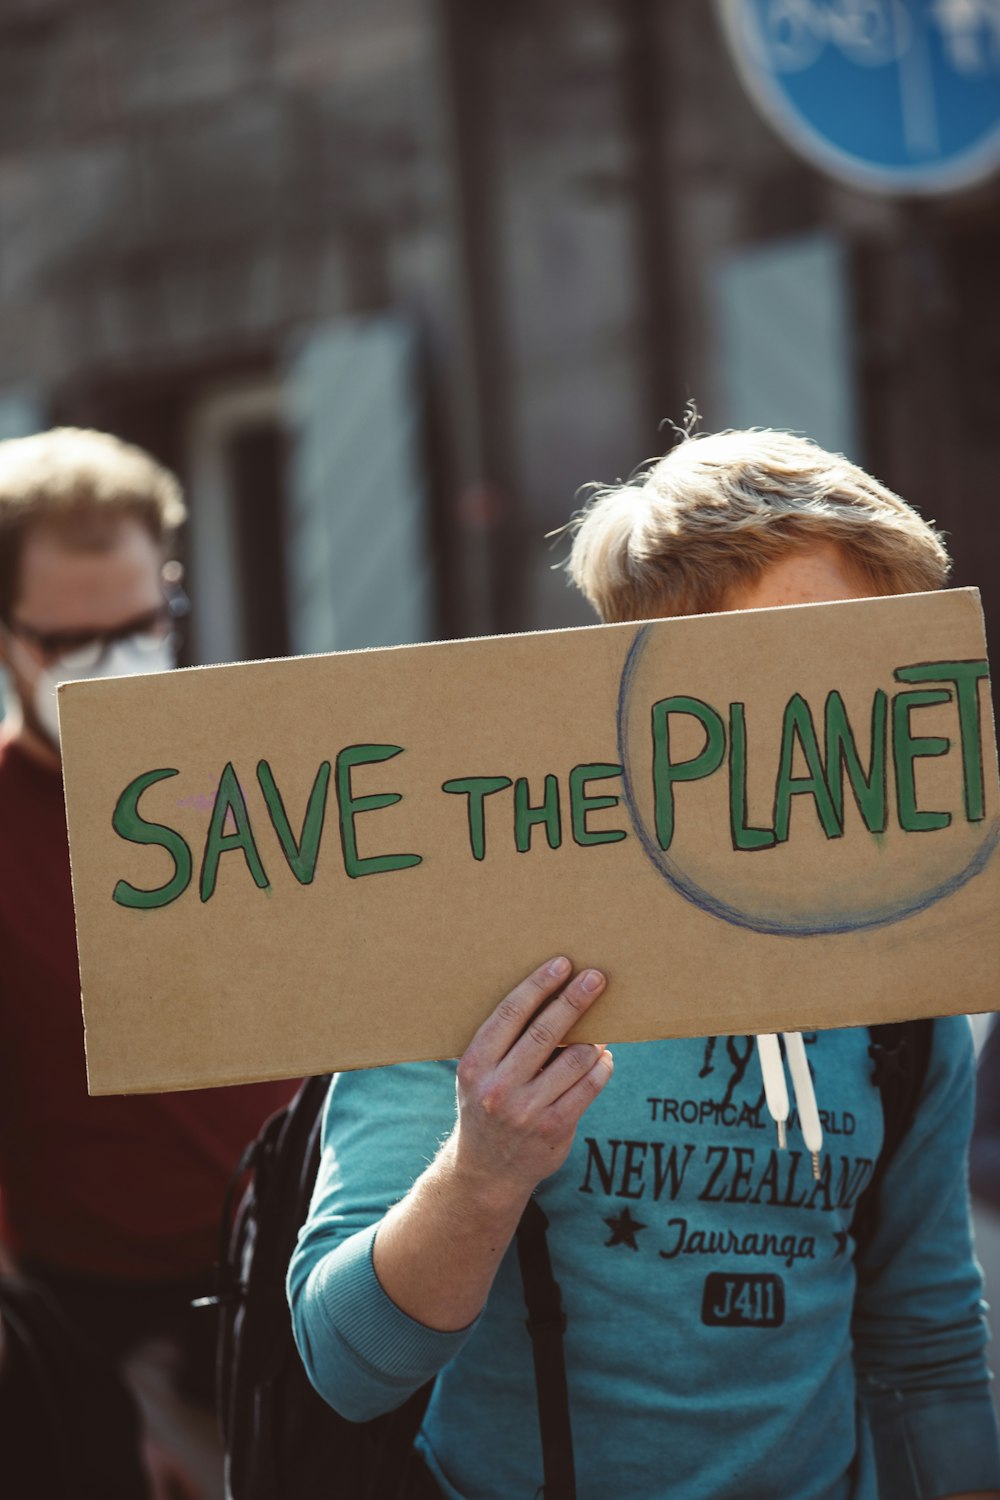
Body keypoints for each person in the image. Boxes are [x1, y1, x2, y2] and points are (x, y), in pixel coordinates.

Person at [287, 428, 1000, 1500]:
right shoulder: (468, 949)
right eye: (789, 665)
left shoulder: (896, 982)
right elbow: (346, 1367)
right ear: (642, 677)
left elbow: (928, 1347)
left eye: (880, 657)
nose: (850, 712)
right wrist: (484, 1172)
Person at [0, 428, 298, 1498]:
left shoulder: (264, 768)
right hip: (99, 1318)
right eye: (72, 641)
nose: (115, 661)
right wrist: (74, 1396)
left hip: (304, 1264)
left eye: (140, 625)